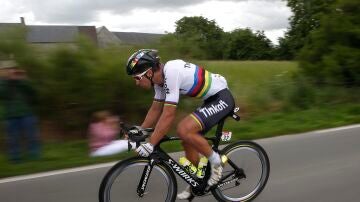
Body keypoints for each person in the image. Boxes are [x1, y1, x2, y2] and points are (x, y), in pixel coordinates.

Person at [125, 49, 235, 199]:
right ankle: (198, 181)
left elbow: (168, 114)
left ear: (149, 73)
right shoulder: (159, 82)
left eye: (137, 78)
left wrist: (151, 144)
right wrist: (140, 130)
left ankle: (216, 163)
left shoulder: (172, 72)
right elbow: (156, 109)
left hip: (222, 97)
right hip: (211, 100)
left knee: (184, 129)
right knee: (187, 141)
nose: (136, 82)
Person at [0, 60, 41, 163]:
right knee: (13, 138)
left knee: (32, 135)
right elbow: (3, 94)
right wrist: (10, 81)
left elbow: (34, 94)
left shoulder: (22, 80)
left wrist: (24, 80)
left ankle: (34, 156)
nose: (12, 71)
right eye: (9, 69)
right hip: (11, 115)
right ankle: (15, 158)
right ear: (5, 71)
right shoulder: (2, 82)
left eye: (14, 69)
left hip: (27, 113)